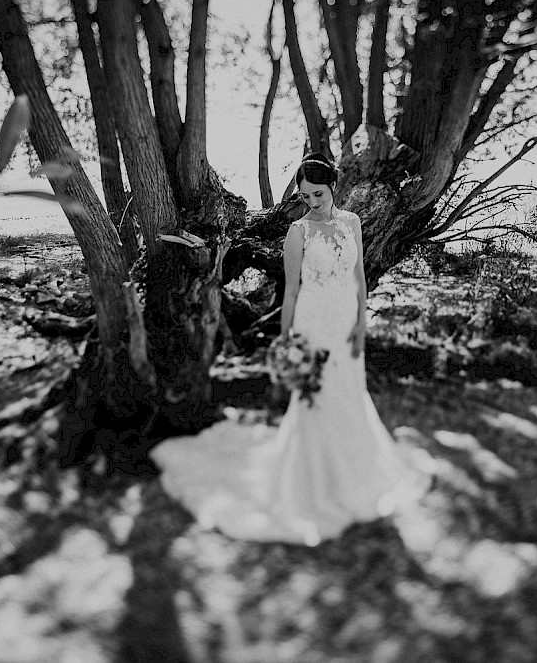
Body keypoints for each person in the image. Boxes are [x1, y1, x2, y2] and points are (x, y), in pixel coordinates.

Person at [150, 152, 432, 546]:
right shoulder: (298, 232)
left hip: (346, 321)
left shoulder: (352, 222)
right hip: (313, 323)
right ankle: (313, 482)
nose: (313, 202)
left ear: (333, 186)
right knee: (317, 397)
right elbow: (293, 289)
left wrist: (361, 324)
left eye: (318, 194)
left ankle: (356, 471)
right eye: (305, 196)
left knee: (349, 393)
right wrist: (286, 340)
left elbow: (360, 277)